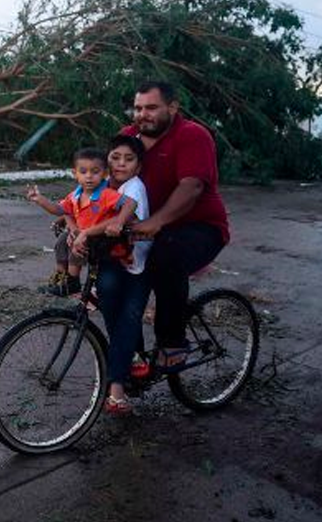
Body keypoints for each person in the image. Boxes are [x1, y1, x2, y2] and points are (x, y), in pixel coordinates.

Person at [119, 81, 230, 378]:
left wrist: (155, 222)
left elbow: (191, 187)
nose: (143, 114)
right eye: (139, 108)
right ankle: (134, 358)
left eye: (151, 107)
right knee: (116, 275)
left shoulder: (192, 135)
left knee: (164, 254)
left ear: (172, 107)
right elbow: (106, 180)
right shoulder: (127, 138)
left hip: (200, 227)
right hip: (145, 227)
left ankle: (173, 343)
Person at [71, 136, 152, 414]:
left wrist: (93, 229)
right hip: (111, 260)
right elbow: (78, 207)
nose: (120, 163)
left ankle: (117, 392)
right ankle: (134, 357)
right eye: (115, 157)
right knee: (112, 314)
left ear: (138, 166)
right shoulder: (102, 184)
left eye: (128, 159)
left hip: (136, 265)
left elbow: (121, 215)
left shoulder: (134, 187)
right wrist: (68, 222)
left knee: (126, 319)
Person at [26, 147, 127, 296]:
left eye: (95, 172)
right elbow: (59, 210)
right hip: (82, 233)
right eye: (83, 172)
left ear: (105, 174)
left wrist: (120, 220)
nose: (89, 177)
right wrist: (40, 200)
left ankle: (72, 281)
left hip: (100, 236)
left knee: (77, 246)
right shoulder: (75, 195)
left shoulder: (106, 194)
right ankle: (62, 275)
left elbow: (128, 203)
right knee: (62, 240)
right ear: (75, 174)